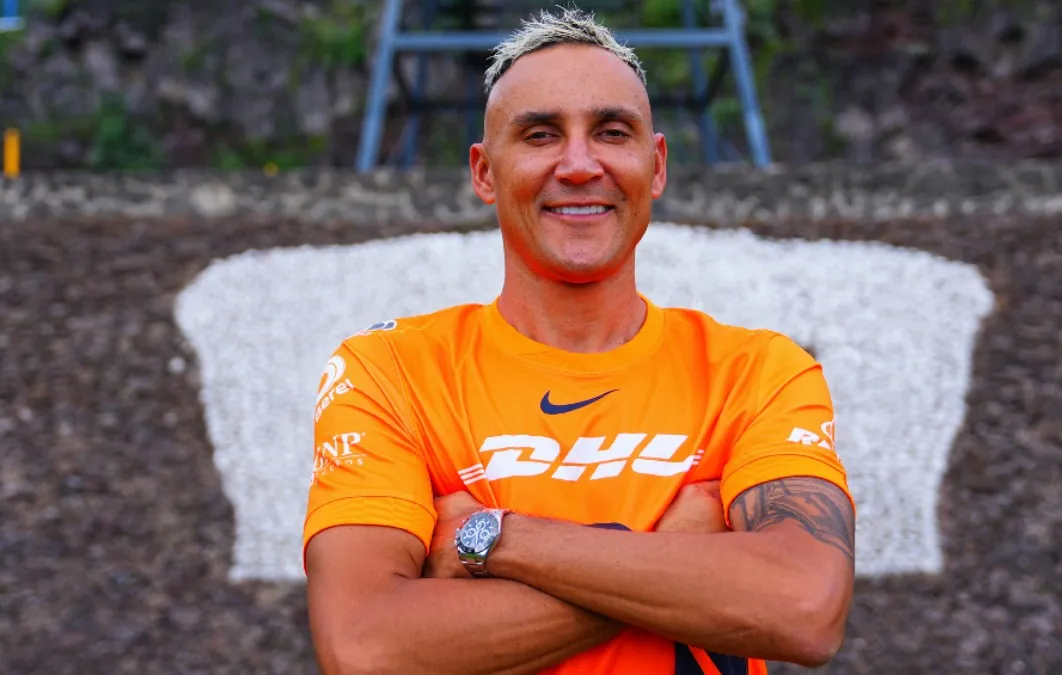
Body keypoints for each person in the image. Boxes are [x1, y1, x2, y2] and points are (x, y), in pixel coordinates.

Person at [302, 7, 855, 675]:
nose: (579, 164)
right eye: (540, 135)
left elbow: (803, 605)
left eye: (611, 132)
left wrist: (492, 538)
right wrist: (674, 558)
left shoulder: (758, 371)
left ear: (656, 166)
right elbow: (365, 648)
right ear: (484, 172)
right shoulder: (389, 371)